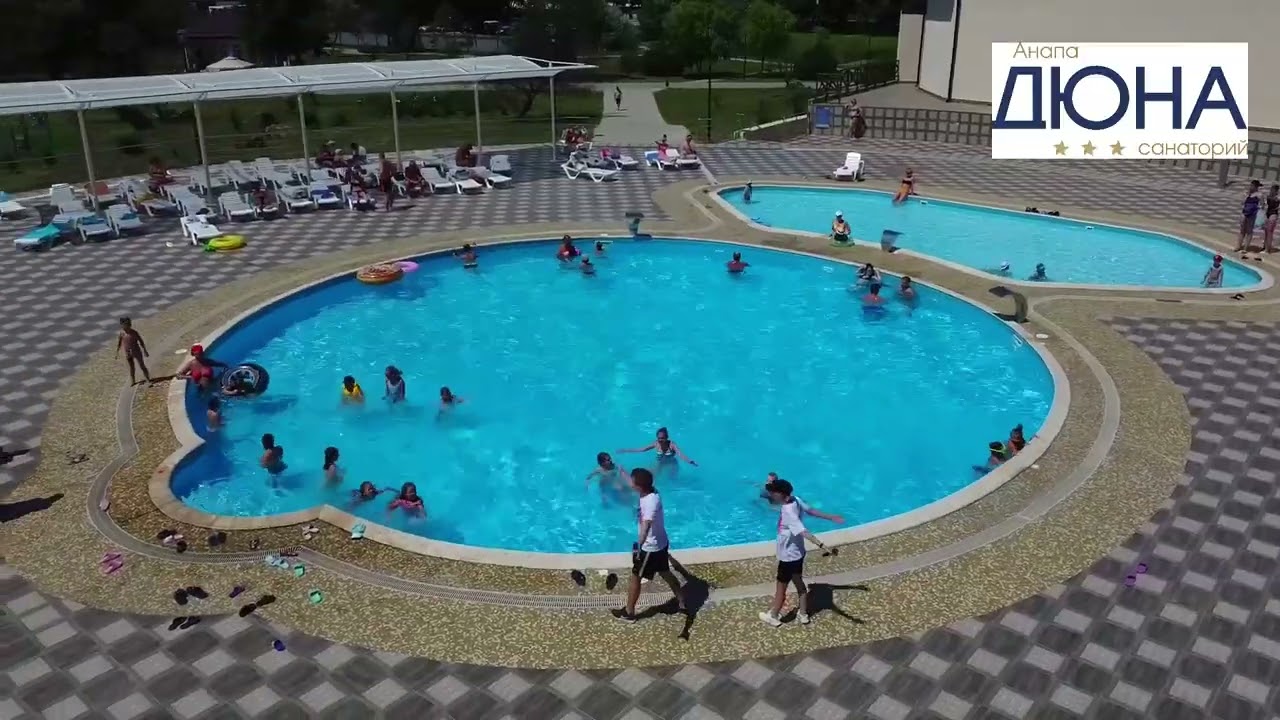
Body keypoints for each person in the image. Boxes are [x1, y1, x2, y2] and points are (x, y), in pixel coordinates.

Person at [759, 477, 843, 627]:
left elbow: (804, 532)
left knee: (781, 587)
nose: (771, 495)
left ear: (780, 494)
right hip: (798, 553)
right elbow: (811, 511)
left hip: (787, 557)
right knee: (799, 582)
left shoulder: (788, 512)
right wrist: (830, 517)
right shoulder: (796, 500)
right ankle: (803, 614)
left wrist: (822, 546)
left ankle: (773, 615)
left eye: (773, 493)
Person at [611, 468, 686, 622]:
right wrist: (622, 472)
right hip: (661, 543)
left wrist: (638, 547)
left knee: (636, 576)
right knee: (665, 572)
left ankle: (629, 612)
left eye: (633, 482)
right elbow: (634, 484)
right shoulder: (651, 491)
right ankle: (682, 602)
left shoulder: (650, 503)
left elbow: (646, 526)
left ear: (639, 486)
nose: (631, 484)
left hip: (650, 548)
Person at [618, 427, 697, 475]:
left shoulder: (672, 445)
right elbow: (642, 449)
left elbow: (680, 454)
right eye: (659, 438)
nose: (660, 440)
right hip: (660, 463)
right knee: (654, 476)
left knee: (673, 479)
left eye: (662, 438)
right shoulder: (656, 444)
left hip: (672, 463)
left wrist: (690, 461)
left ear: (667, 437)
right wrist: (626, 450)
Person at [115, 317, 151, 385]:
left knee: (142, 365)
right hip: (128, 352)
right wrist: (117, 352)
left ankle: (148, 379)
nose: (125, 326)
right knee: (131, 367)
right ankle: (133, 380)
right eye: (123, 325)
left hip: (136, 351)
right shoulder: (122, 333)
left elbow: (141, 341)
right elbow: (119, 343)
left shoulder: (134, 332)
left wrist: (145, 350)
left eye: (127, 324)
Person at [1238, 179, 1262, 254]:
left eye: (1252, 186)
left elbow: (1262, 205)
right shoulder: (1246, 193)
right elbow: (1242, 203)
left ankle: (1245, 248)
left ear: (1256, 187)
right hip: (1245, 212)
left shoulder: (1259, 195)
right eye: (1250, 185)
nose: (1250, 187)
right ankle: (1238, 246)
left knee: (1249, 231)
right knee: (1242, 230)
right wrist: (1246, 196)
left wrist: (1258, 209)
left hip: (1252, 214)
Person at [1263, 183, 1279, 254]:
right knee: (1266, 231)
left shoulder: (1278, 197)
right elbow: (1265, 204)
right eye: (1271, 189)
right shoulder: (1268, 196)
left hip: (1273, 214)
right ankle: (1265, 246)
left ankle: (1267, 249)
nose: (1271, 191)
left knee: (1270, 231)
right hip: (1268, 212)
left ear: (1276, 191)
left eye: (1273, 190)